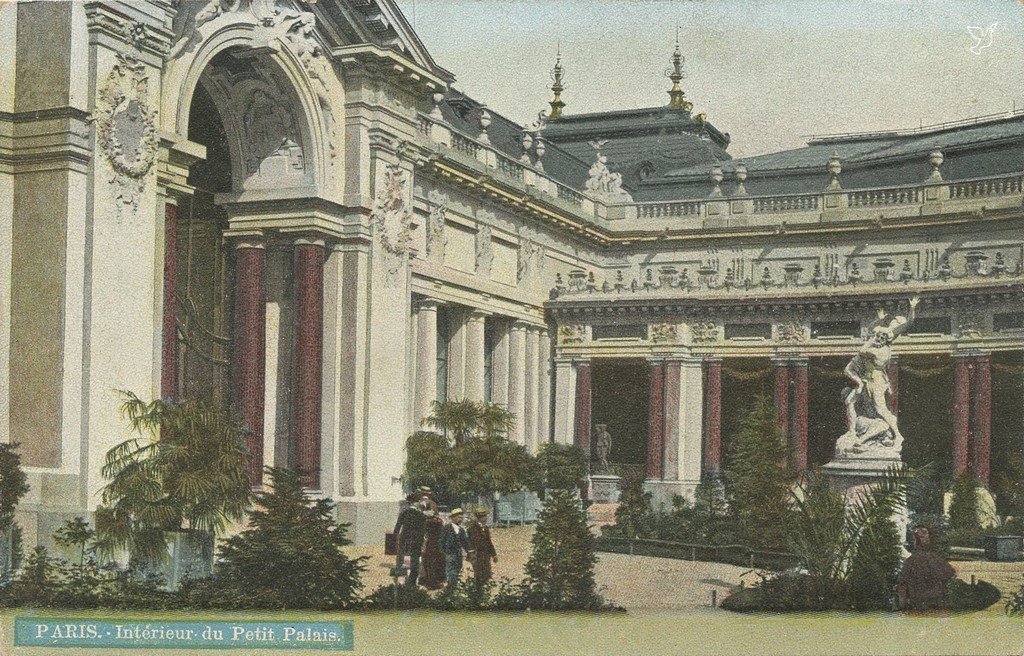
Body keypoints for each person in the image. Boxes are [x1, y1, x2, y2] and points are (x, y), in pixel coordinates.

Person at [897, 526, 956, 611]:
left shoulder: (911, 561)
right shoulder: (934, 558)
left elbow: (902, 582)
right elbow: (949, 573)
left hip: (920, 603)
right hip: (932, 602)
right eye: (922, 536)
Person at [392, 492, 430, 587]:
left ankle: (399, 583)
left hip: (404, 540)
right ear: (416, 502)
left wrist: (395, 539)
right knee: (414, 563)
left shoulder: (404, 512)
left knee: (401, 561)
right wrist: (423, 543)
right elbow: (423, 531)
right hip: (416, 541)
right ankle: (411, 584)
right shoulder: (421, 515)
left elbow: (397, 528)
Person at [439, 508, 472, 587]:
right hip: (449, 554)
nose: (460, 519)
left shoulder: (461, 530)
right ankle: (451, 587)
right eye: (458, 517)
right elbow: (441, 541)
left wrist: (469, 551)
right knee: (450, 571)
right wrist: (444, 551)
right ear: (453, 518)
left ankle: (453, 585)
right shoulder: (446, 528)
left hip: (458, 554)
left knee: (457, 569)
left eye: (461, 518)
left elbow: (465, 542)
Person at [419, 500, 446, 590]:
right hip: (434, 544)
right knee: (433, 562)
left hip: (430, 543)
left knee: (429, 562)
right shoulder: (437, 521)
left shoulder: (426, 521)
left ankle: (426, 579)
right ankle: (433, 582)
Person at [468, 508, 498, 587]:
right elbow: (474, 542)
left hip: (486, 555)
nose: (486, 518)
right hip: (477, 555)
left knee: (486, 573)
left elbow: (489, 542)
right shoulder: (472, 528)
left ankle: (483, 590)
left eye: (485, 516)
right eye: (484, 516)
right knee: (479, 574)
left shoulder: (485, 528)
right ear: (479, 518)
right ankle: (478, 592)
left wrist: (494, 554)